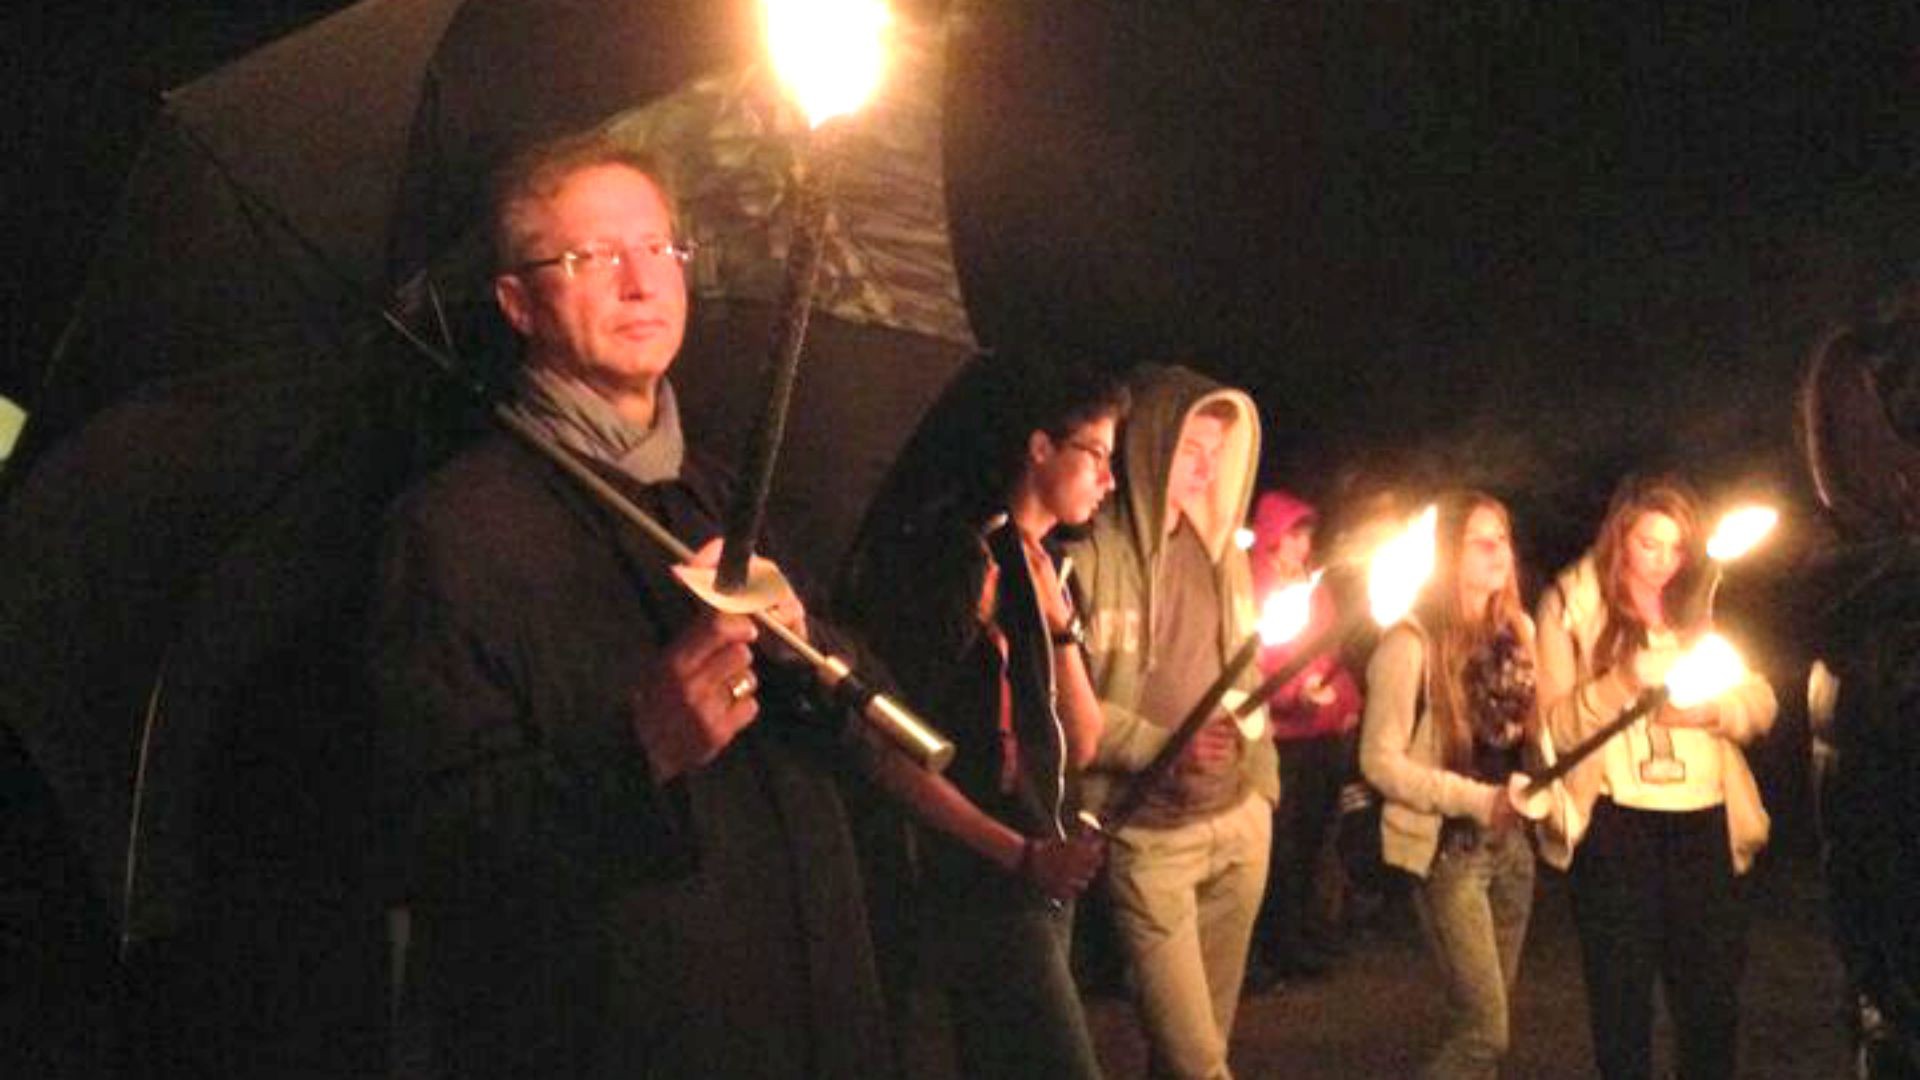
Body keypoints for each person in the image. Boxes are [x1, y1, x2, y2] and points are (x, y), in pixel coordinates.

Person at [370, 131, 891, 1078]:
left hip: (813, 1013)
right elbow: (437, 843)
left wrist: (812, 652)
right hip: (631, 1033)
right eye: (591, 258)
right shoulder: (454, 530)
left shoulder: (727, 494)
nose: (640, 282)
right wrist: (639, 751)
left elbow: (861, 723)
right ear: (518, 303)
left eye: (658, 248)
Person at [837, 356, 1126, 1079]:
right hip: (989, 887)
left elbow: (1084, 740)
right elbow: (889, 747)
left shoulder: (1050, 568)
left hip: (1045, 878)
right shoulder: (958, 563)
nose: (1109, 480)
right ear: (1039, 447)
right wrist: (1019, 854)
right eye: (1096, 455)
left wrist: (1060, 630)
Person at [1063, 363, 1275, 1080]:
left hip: (1238, 824)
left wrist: (1262, 784)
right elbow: (1074, 699)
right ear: (1149, 444)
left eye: (1219, 451)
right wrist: (1163, 748)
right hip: (1149, 835)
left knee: (1194, 1050)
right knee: (1198, 1063)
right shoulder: (1093, 552)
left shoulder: (1224, 557)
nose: (1207, 467)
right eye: (1191, 447)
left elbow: (1249, 677)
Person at [1536, 474, 1777, 1080]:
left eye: (1676, 547)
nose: (1664, 562)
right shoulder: (1572, 606)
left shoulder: (1698, 604)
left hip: (1703, 822)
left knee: (1710, 1004)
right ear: (1618, 538)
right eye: (1649, 544)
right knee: (1622, 1008)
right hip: (1618, 826)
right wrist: (1625, 679)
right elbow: (1557, 732)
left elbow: (1761, 700)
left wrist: (1715, 711)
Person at [1360, 491, 1541, 1079]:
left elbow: (1528, 739)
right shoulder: (1409, 643)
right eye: (1479, 540)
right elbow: (1380, 761)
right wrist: (1476, 799)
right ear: (1446, 555)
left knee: (1484, 1026)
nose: (1498, 551)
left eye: (1503, 538)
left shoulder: (1519, 633)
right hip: (1447, 854)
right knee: (1486, 1033)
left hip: (1511, 851)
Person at [1245, 489, 1362, 989]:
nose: (1302, 542)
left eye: (1307, 533)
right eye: (1293, 532)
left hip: (1321, 735)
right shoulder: (1254, 585)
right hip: (1282, 737)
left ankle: (1300, 934)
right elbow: (1256, 664)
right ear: (1272, 536)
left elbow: (1330, 645)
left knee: (1314, 840)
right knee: (1280, 849)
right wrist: (1295, 695)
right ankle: (1272, 944)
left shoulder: (1314, 587)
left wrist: (1346, 700)